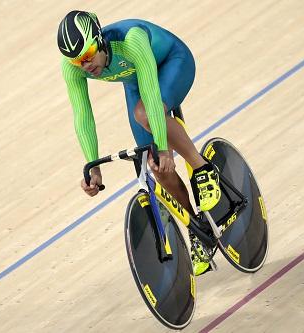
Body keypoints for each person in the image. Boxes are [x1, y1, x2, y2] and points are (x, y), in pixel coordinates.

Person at [57, 10, 220, 275]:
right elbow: (82, 114)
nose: (85, 66)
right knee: (156, 166)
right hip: (136, 83)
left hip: (172, 62)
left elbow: (152, 92)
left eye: (87, 55)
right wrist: (93, 166)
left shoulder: (130, 40)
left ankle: (202, 169)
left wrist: (165, 146)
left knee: (145, 116)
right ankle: (198, 229)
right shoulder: (73, 67)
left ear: (99, 40)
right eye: (77, 62)